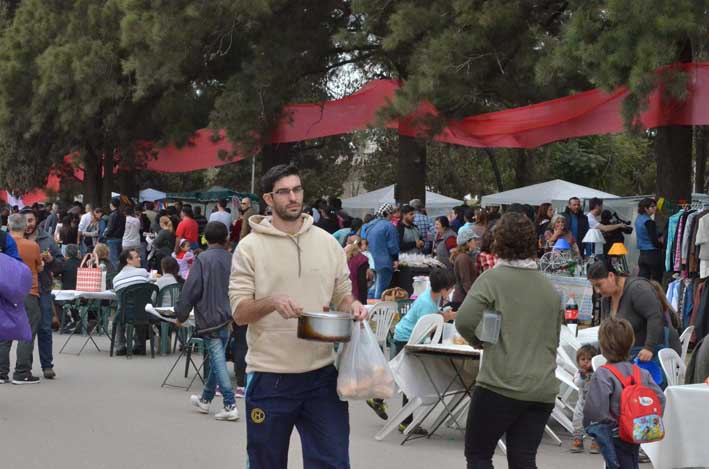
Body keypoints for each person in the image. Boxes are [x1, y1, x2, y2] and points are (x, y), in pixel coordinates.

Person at [229, 164, 367, 469]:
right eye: (284, 191)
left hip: (322, 376)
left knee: (333, 463)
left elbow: (342, 293)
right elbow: (239, 313)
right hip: (269, 377)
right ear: (268, 198)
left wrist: (352, 306)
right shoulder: (249, 248)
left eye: (297, 189)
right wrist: (272, 302)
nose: (293, 197)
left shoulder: (327, 243)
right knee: (266, 463)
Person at [455, 212, 561, 469]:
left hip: (499, 383)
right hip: (541, 388)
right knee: (523, 459)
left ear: (498, 241)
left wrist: (479, 341)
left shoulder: (492, 279)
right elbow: (554, 338)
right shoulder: (550, 289)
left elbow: (464, 321)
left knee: (479, 456)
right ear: (533, 243)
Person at [367, 268, 456, 431]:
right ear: (444, 289)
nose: (451, 291)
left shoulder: (432, 296)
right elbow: (428, 326)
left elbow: (431, 317)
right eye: (450, 288)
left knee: (402, 374)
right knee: (408, 377)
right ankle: (403, 420)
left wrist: (443, 315)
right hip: (407, 337)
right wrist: (444, 318)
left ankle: (384, 404)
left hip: (407, 335)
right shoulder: (427, 303)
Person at [176, 222, 239, 421]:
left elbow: (191, 289)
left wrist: (181, 314)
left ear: (206, 238)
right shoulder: (233, 259)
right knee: (216, 358)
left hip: (209, 316)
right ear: (226, 238)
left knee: (217, 359)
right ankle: (205, 399)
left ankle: (229, 403)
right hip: (229, 315)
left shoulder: (202, 259)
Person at [583, 317, 665, 469]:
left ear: (603, 345)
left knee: (618, 464)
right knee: (631, 462)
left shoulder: (603, 374)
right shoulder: (641, 372)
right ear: (631, 343)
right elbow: (660, 397)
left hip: (615, 434)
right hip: (636, 431)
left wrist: (593, 426)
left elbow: (595, 408)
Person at [587, 260, 681, 369]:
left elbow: (655, 316)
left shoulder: (638, 289)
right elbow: (606, 332)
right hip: (631, 357)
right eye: (594, 286)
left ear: (611, 276)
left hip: (657, 353)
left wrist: (649, 348)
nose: (597, 291)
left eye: (599, 285)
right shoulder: (606, 300)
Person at [0, 214, 43, 384]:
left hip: (5, 291)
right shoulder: (32, 245)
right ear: (26, 227)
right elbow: (38, 267)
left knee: (4, 332)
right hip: (27, 290)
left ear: (9, 226)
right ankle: (22, 372)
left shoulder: (6, 240)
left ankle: (1, 372)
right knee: (27, 332)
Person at [23, 208, 63, 379]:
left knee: (45, 328)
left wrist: (51, 260)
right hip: (22, 290)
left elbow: (61, 264)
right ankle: (25, 368)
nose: (27, 225)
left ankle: (47, 366)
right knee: (26, 330)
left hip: (43, 289)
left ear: (36, 221)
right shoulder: (15, 239)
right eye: (24, 221)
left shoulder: (47, 239)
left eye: (30, 220)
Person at [112, 248, 150, 355]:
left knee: (121, 309)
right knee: (140, 306)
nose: (140, 259)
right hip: (143, 313)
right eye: (137, 257)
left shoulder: (116, 279)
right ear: (128, 260)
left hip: (124, 314)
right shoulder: (143, 272)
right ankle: (139, 345)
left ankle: (120, 345)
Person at [363, 203, 400, 299]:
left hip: (370, 261)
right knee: (380, 290)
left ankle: (367, 305)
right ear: (386, 213)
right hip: (384, 262)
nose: (392, 216)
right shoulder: (389, 226)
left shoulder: (369, 225)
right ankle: (375, 310)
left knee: (374, 286)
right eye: (391, 213)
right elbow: (393, 246)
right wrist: (396, 259)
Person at [571, 344, 600, 454]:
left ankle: (596, 441)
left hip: (596, 404)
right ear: (578, 361)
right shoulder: (578, 372)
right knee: (578, 420)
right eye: (583, 359)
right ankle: (578, 439)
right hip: (582, 403)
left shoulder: (597, 371)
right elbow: (577, 383)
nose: (586, 362)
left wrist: (590, 375)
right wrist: (583, 376)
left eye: (589, 359)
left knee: (596, 421)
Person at [450, 228, 481, 310]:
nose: (476, 242)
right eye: (474, 239)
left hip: (463, 299)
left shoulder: (465, 256)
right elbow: (466, 282)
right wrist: (475, 299)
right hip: (462, 300)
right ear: (468, 242)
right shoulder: (463, 258)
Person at [634, 198, 664, 282]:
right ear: (645, 208)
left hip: (642, 254)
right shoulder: (649, 222)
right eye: (652, 206)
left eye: (655, 206)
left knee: (643, 281)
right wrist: (662, 245)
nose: (655, 208)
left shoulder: (638, 219)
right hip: (652, 254)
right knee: (656, 281)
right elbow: (654, 241)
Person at [102, 198, 125, 268]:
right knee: (118, 258)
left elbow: (110, 228)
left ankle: (114, 274)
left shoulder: (113, 215)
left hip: (112, 239)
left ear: (111, 205)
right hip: (120, 238)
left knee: (113, 259)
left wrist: (105, 235)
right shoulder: (122, 214)